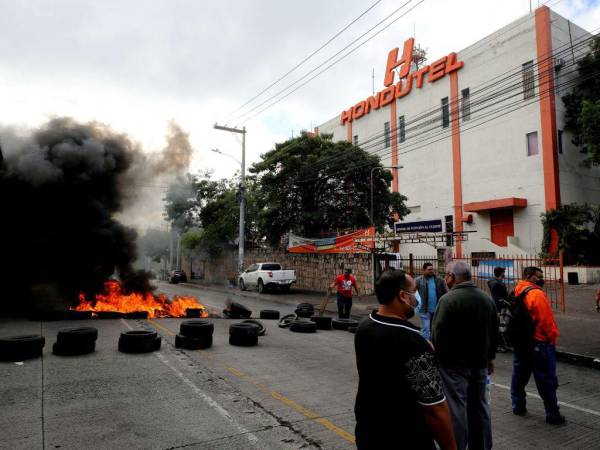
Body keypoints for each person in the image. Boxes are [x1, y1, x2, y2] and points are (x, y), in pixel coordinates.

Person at [354, 268, 456, 450]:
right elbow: (434, 408)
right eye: (414, 291)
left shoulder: (365, 326)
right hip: (405, 437)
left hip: (367, 431)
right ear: (402, 295)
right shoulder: (412, 341)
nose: (416, 297)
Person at [431, 261, 498, 450]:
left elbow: (438, 334)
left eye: (446, 275)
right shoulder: (486, 298)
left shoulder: (448, 300)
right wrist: (490, 357)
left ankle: (457, 446)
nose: (445, 278)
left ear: (452, 277)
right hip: (480, 363)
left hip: (453, 366)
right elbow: (494, 333)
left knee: (457, 408)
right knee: (480, 406)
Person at [510, 266, 564, 425]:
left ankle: (518, 405)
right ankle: (552, 414)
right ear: (529, 276)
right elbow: (547, 322)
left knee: (519, 376)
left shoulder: (517, 290)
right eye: (539, 276)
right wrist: (552, 338)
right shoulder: (536, 294)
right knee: (546, 380)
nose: (542, 279)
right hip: (539, 342)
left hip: (521, 342)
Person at [415, 262, 448, 340]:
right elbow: (411, 290)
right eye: (429, 269)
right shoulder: (418, 280)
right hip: (424, 310)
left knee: (434, 328)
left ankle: (433, 343)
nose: (431, 271)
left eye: (432, 269)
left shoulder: (439, 280)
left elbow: (446, 292)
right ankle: (425, 347)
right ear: (424, 270)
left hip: (436, 309)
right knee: (426, 329)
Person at [488, 267, 510, 352]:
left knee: (501, 326)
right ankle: (499, 346)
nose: (504, 274)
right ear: (501, 273)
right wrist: (498, 310)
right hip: (500, 308)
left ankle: (502, 344)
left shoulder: (493, 282)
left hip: (499, 306)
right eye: (503, 272)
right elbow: (497, 297)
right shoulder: (497, 284)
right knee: (501, 327)